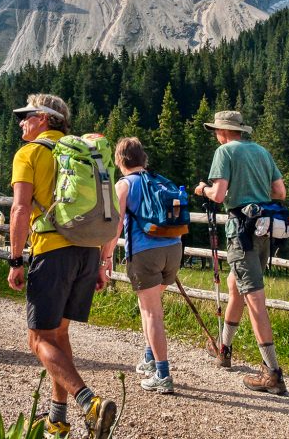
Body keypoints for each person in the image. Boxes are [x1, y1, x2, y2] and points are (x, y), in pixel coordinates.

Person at [7, 94, 117, 439]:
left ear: (43, 118)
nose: (21, 122)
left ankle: (90, 403)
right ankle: (57, 417)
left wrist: (14, 259)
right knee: (60, 334)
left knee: (38, 338)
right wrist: (101, 261)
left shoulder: (30, 154)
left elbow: (20, 210)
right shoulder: (82, 153)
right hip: (86, 252)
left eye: (26, 115)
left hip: (52, 251)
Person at [194, 110, 288, 396]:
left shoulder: (225, 152)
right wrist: (254, 191)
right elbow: (279, 191)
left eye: (215, 132)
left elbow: (220, 195)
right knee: (237, 287)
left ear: (222, 132)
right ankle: (224, 349)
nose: (215, 136)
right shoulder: (261, 151)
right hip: (264, 229)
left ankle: (272, 372)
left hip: (240, 231)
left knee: (254, 298)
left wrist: (203, 190)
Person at [104, 137, 181, 394]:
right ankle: (149, 358)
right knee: (148, 305)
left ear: (119, 160)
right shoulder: (159, 180)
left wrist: (106, 256)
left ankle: (162, 374)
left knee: (151, 313)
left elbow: (116, 225)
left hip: (145, 253)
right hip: (174, 249)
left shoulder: (124, 185)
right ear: (142, 158)